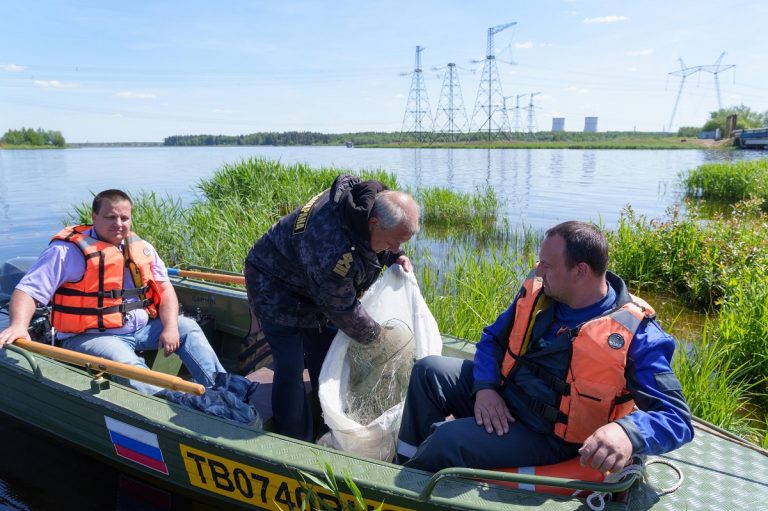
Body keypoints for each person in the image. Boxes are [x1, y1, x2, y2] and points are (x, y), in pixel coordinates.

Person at [395, 221, 693, 473]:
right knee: (428, 371)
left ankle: (405, 491)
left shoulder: (636, 335)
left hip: (549, 435)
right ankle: (401, 466)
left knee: (446, 440)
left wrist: (627, 432)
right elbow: (492, 340)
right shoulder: (539, 295)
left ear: (580, 272)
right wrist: (485, 388)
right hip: (507, 397)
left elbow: (677, 417)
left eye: (548, 265)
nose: (538, 271)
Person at [244, 174, 420, 442]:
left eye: (401, 243)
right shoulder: (332, 249)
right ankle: (294, 440)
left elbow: (379, 242)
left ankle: (329, 426)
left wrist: (395, 255)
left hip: (312, 283)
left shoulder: (371, 201)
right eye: (394, 242)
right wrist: (379, 338)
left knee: (326, 356)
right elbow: (343, 309)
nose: (396, 247)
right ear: (374, 223)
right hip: (274, 285)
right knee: (290, 366)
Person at [0, 189, 225, 395]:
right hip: (92, 336)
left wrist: (171, 327)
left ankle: (223, 391)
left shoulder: (141, 247)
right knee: (127, 364)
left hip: (141, 329)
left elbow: (165, 289)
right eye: (110, 217)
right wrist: (19, 325)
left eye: (124, 218)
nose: (118, 223)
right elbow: (26, 291)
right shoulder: (65, 252)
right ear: (94, 217)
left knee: (188, 328)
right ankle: (169, 405)